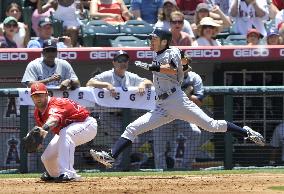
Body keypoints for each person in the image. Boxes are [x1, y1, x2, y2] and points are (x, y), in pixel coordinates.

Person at [89, 28, 265, 168]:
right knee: (132, 128)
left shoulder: (170, 51)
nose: (151, 41)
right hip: (161, 104)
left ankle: (246, 132)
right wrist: (182, 63)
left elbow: (173, 69)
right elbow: (183, 66)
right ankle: (111, 156)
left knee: (211, 126)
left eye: (154, 39)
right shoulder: (160, 53)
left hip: (176, 100)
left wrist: (155, 68)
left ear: (164, 41)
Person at [86, 50, 152, 170]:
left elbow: (148, 81)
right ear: (114, 62)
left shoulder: (130, 76)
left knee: (123, 141)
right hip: (108, 116)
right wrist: (107, 85)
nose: (123, 63)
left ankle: (111, 165)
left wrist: (142, 85)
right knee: (130, 140)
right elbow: (90, 83)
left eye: (125, 60)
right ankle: (116, 166)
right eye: (120, 60)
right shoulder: (107, 75)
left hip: (125, 117)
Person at [29, 82, 98, 181]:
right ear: (32, 97)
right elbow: (42, 133)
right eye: (35, 96)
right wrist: (38, 142)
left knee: (65, 132)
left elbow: (53, 120)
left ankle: (68, 173)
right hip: (66, 130)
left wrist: (41, 130)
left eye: (40, 95)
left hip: (87, 125)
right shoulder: (37, 113)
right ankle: (55, 174)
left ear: (47, 94)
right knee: (47, 158)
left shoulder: (56, 103)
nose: (38, 98)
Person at [153, 51, 204, 170]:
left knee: (195, 133)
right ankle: (160, 171)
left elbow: (200, 101)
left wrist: (186, 96)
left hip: (182, 115)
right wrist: (183, 93)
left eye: (184, 63)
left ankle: (185, 168)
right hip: (163, 112)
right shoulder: (165, 74)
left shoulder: (194, 78)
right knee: (159, 146)